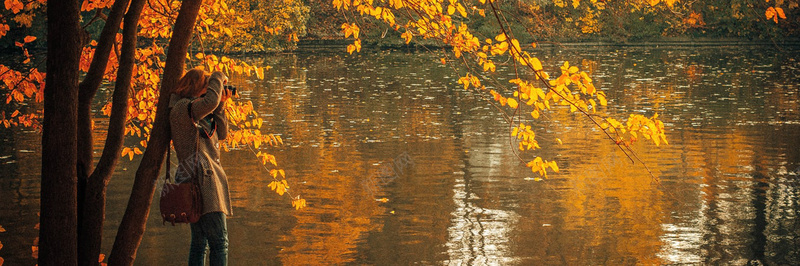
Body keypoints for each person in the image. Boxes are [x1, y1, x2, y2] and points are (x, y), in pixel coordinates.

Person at [169, 68, 233, 266]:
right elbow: (210, 102)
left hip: (203, 180)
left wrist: (221, 105)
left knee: (200, 242)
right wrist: (218, 76)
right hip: (202, 183)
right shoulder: (182, 108)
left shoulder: (195, 111)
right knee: (220, 242)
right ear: (196, 85)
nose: (210, 88)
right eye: (207, 83)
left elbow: (221, 134)